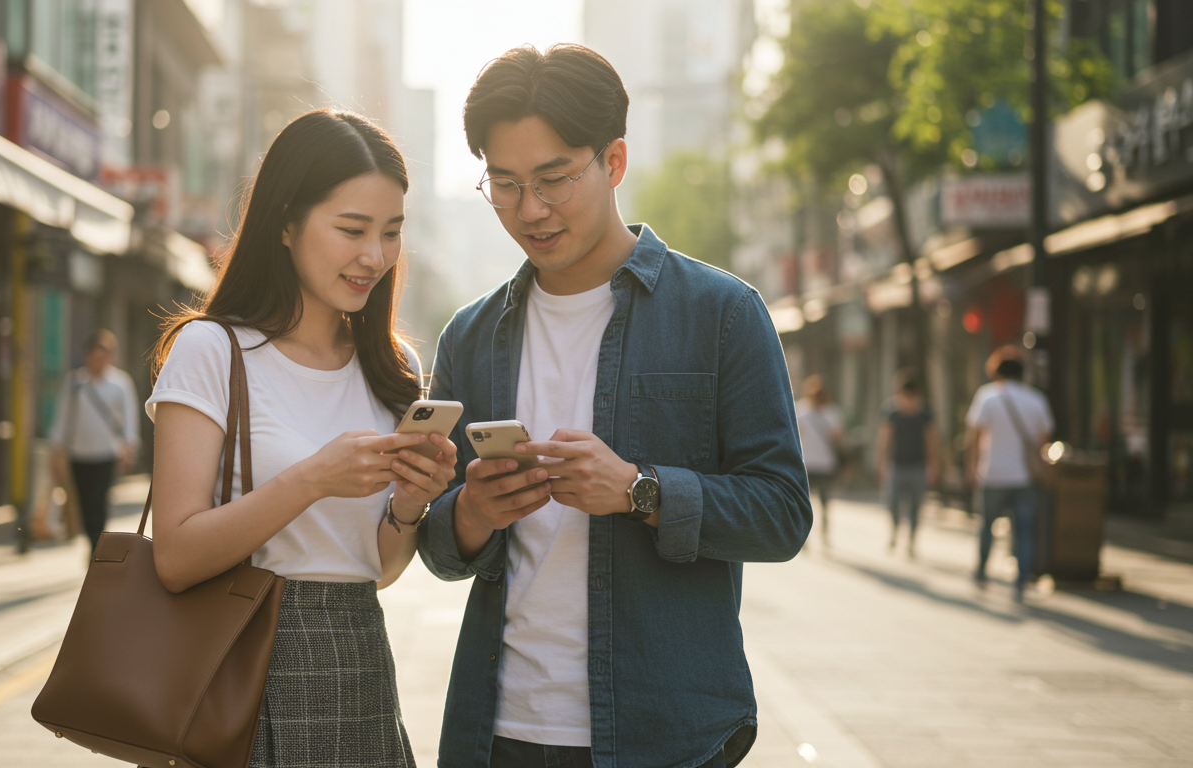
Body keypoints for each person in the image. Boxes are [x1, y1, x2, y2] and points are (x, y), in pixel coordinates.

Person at [417, 44, 811, 768]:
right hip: (496, 731)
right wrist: (472, 514)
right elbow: (438, 545)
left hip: (664, 734)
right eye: (503, 185)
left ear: (614, 162)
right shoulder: (470, 336)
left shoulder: (722, 314)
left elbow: (784, 513)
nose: (530, 210)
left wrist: (639, 490)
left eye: (554, 180)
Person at [145, 109, 455, 767]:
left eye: (392, 232)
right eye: (352, 229)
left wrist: (408, 503)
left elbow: (376, 570)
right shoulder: (212, 349)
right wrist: (314, 478)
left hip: (359, 664)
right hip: (237, 665)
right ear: (286, 223)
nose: (374, 256)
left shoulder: (391, 367)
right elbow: (173, 555)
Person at [965, 346, 1053, 601]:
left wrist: (971, 468)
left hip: (991, 475)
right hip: (1024, 478)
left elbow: (973, 437)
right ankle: (1020, 581)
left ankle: (981, 572)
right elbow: (1043, 442)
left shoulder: (987, 397)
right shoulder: (1036, 400)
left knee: (986, 527)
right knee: (1024, 531)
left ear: (996, 372)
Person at [48, 329, 140, 555]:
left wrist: (129, 447)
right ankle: (93, 544)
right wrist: (57, 451)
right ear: (87, 356)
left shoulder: (120, 383)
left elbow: (129, 419)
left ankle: (96, 549)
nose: (98, 361)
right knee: (85, 505)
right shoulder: (75, 383)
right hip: (79, 453)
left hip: (107, 453)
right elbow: (62, 419)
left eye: (103, 356)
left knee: (99, 503)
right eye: (94, 356)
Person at [876, 368, 940, 557]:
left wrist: (935, 464)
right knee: (893, 503)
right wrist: (881, 462)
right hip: (897, 464)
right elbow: (885, 438)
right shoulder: (892, 411)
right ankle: (895, 530)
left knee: (915, 506)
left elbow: (932, 440)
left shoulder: (925, 413)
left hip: (918, 466)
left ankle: (911, 539)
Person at [796, 374, 843, 547]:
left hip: (809, 463)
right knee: (822, 503)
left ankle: (808, 536)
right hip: (820, 463)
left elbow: (795, 438)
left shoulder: (800, 410)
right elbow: (838, 438)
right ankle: (821, 535)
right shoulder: (831, 412)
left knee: (807, 502)